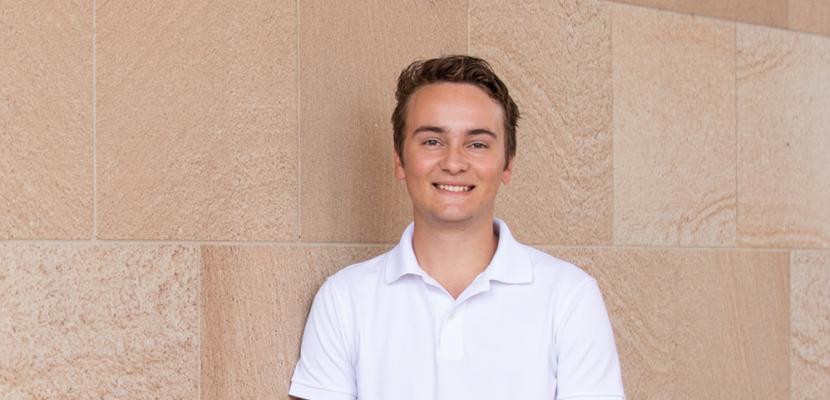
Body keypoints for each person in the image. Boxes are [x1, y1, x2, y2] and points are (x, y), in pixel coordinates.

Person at [289, 55, 625, 400]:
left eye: (477, 144)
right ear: (399, 159)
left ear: (507, 164)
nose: (453, 163)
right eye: (432, 141)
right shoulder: (344, 300)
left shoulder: (569, 298)